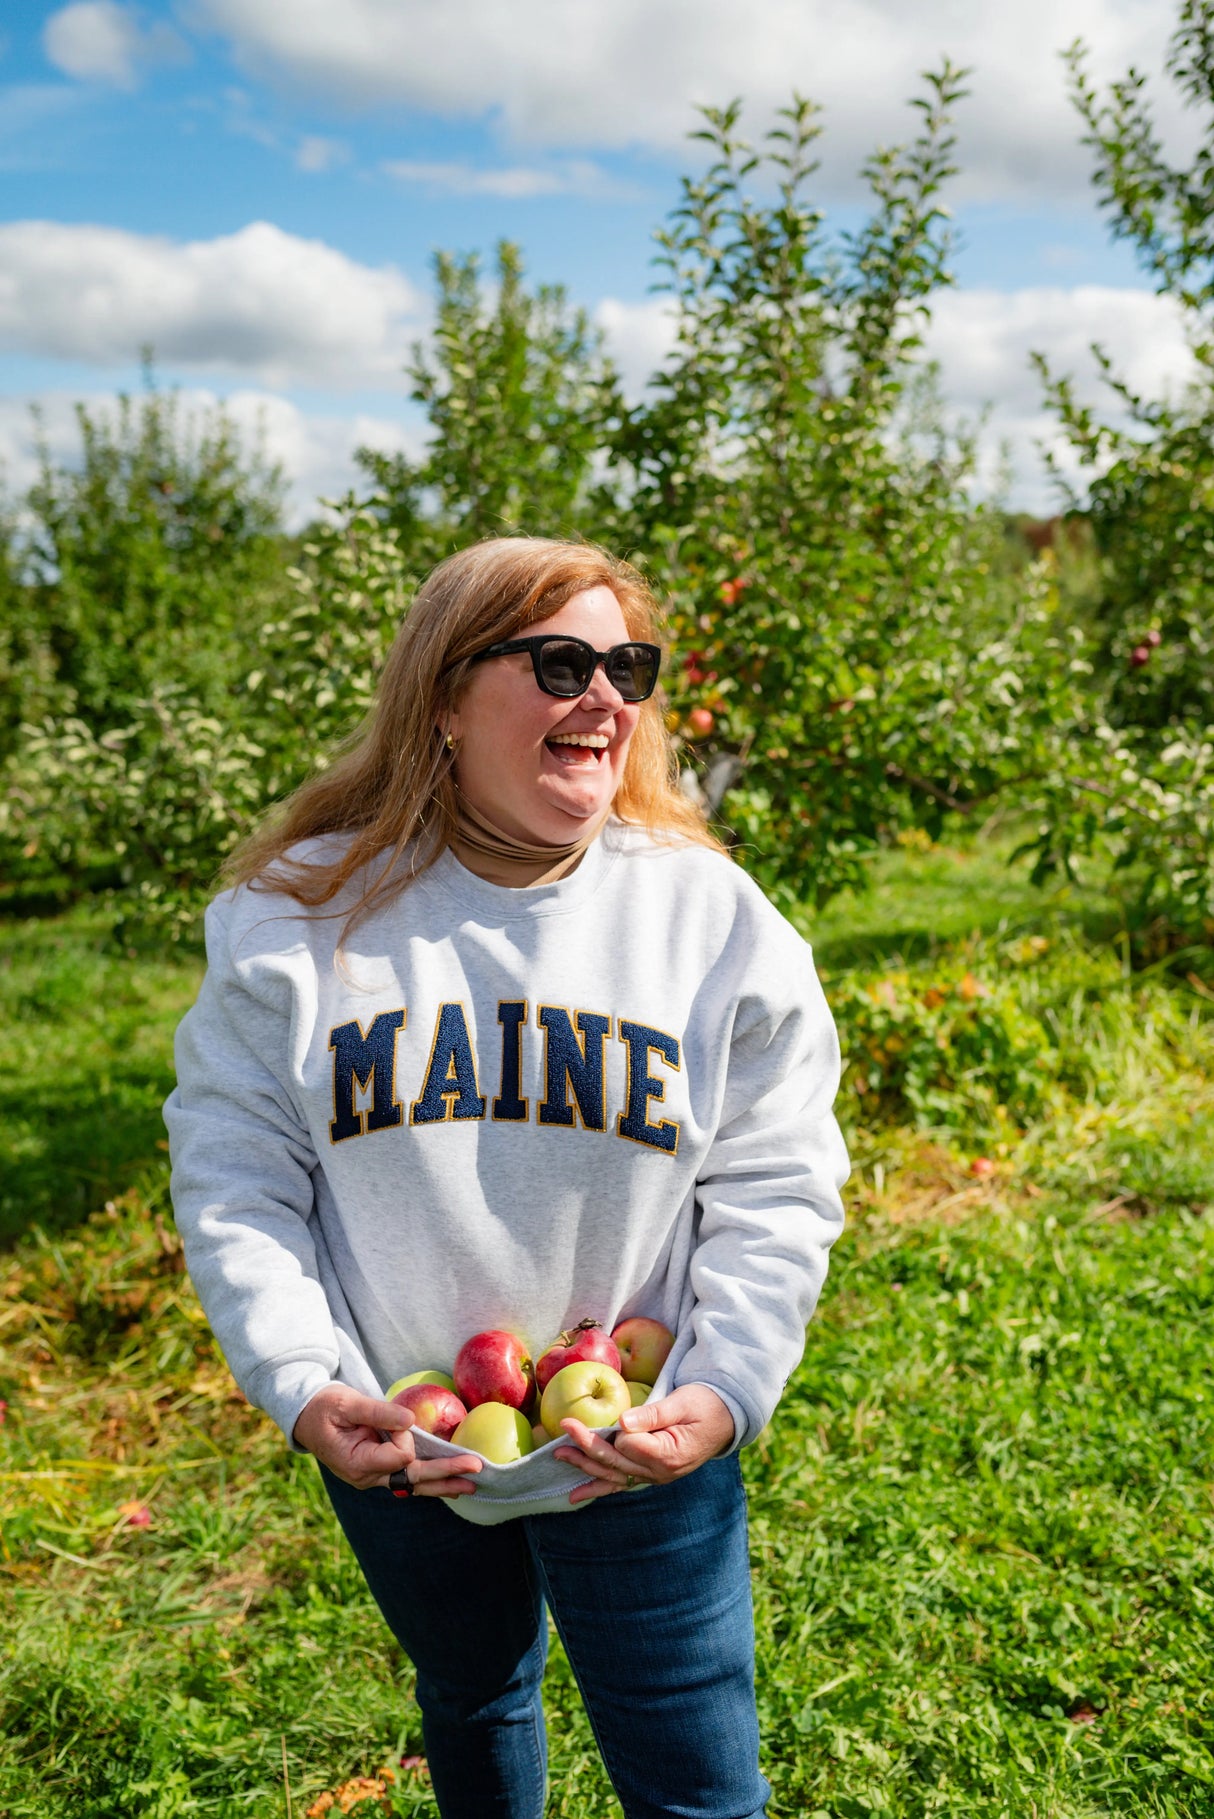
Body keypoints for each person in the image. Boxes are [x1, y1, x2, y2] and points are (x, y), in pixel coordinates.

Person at [165, 536, 849, 1819]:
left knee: (698, 1782)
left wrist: (721, 1387)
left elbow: (776, 1177)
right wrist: (307, 1383)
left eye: (625, 665)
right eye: (558, 661)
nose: (603, 694)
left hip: (636, 1435)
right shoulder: (295, 927)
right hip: (403, 1437)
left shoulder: (708, 922)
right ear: (440, 694)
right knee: (474, 1701)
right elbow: (235, 1180)